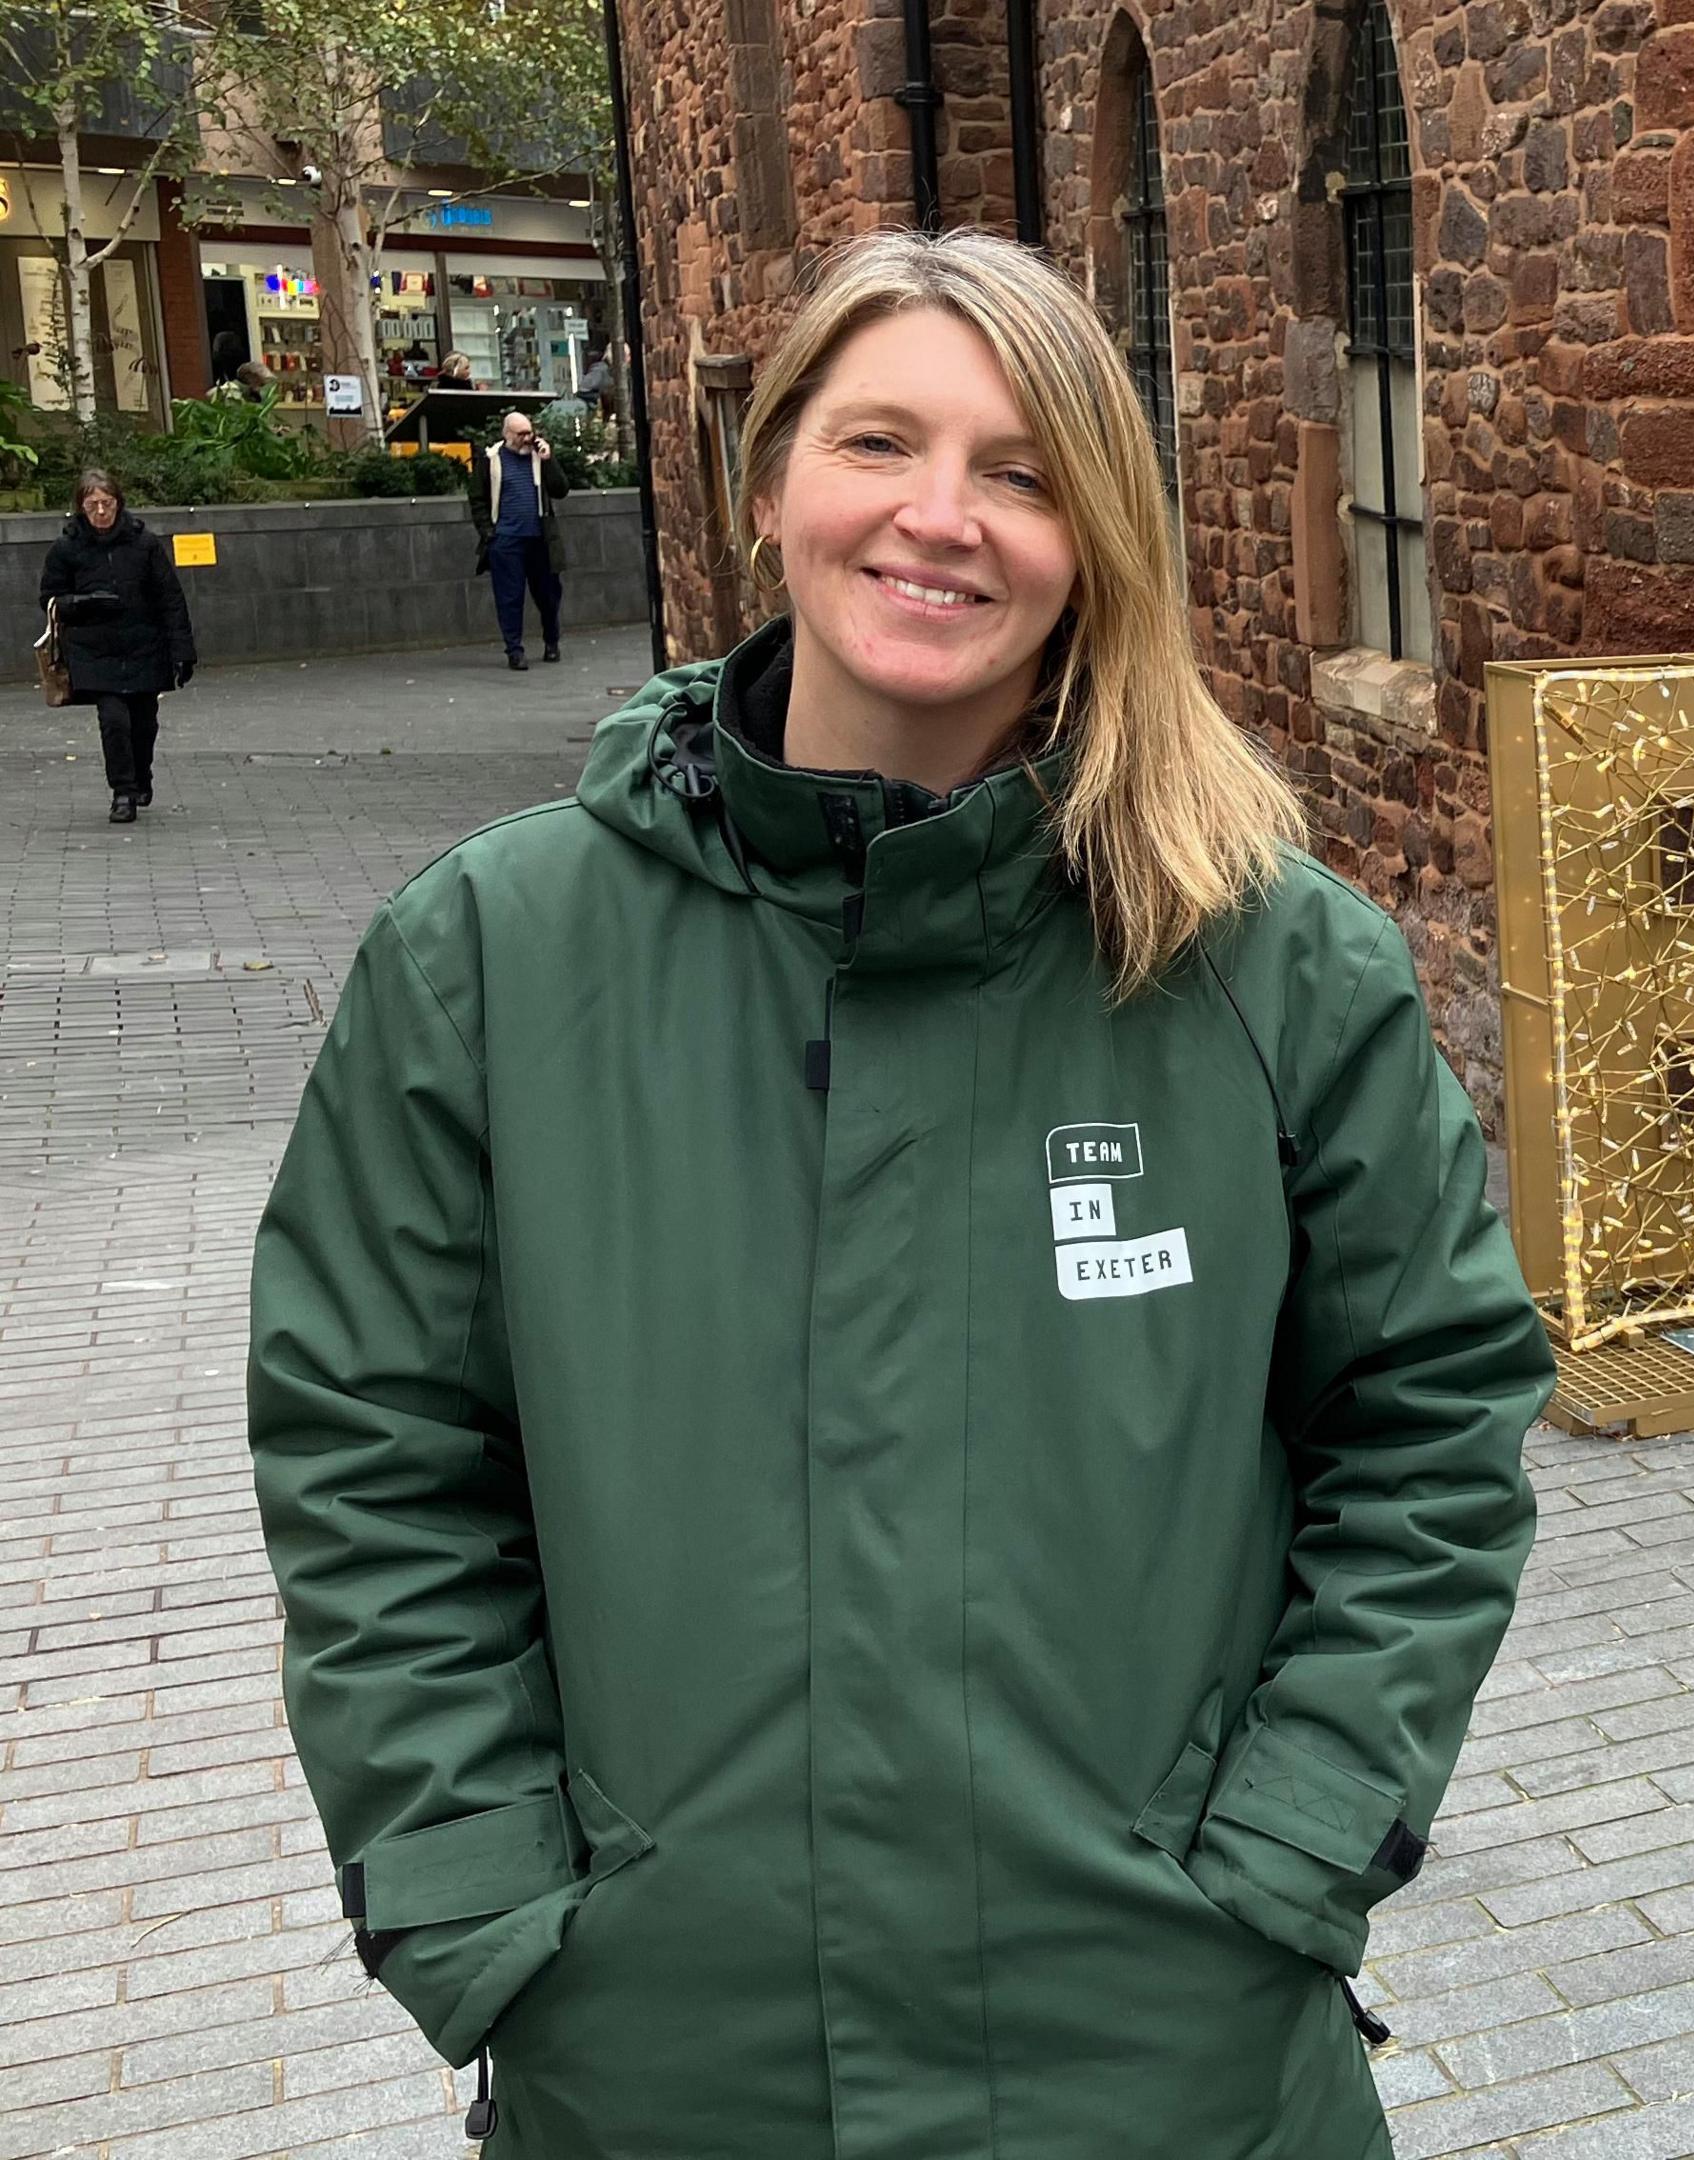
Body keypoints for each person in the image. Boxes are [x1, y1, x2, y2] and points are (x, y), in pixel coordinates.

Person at [248, 228, 1550, 2158]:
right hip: (672, 2074)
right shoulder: (490, 962)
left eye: (1023, 471)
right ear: (763, 481)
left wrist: (1287, 1853)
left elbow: (1433, 1420)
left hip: (1170, 2066)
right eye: (879, 444)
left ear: (1098, 534)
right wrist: (489, 1907)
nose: (943, 518)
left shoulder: (1273, 968)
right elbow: (376, 1458)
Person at [38, 470, 196, 825]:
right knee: (113, 720)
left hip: (144, 645)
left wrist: (183, 651)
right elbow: (49, 598)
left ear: (118, 503)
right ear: (80, 507)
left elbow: (170, 597)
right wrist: (82, 603)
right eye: (91, 505)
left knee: (143, 722)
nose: (100, 512)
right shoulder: (67, 548)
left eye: (106, 503)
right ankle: (122, 791)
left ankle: (142, 777)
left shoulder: (144, 544)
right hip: (95, 649)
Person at [468, 409, 571, 667]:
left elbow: (561, 490)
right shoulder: (491, 459)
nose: (527, 438)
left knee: (548, 595)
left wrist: (549, 460)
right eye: (521, 433)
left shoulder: (539, 456)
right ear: (507, 434)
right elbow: (477, 498)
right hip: (506, 541)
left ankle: (552, 641)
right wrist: (488, 533)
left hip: (540, 538)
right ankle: (515, 650)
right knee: (509, 598)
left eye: (529, 432)